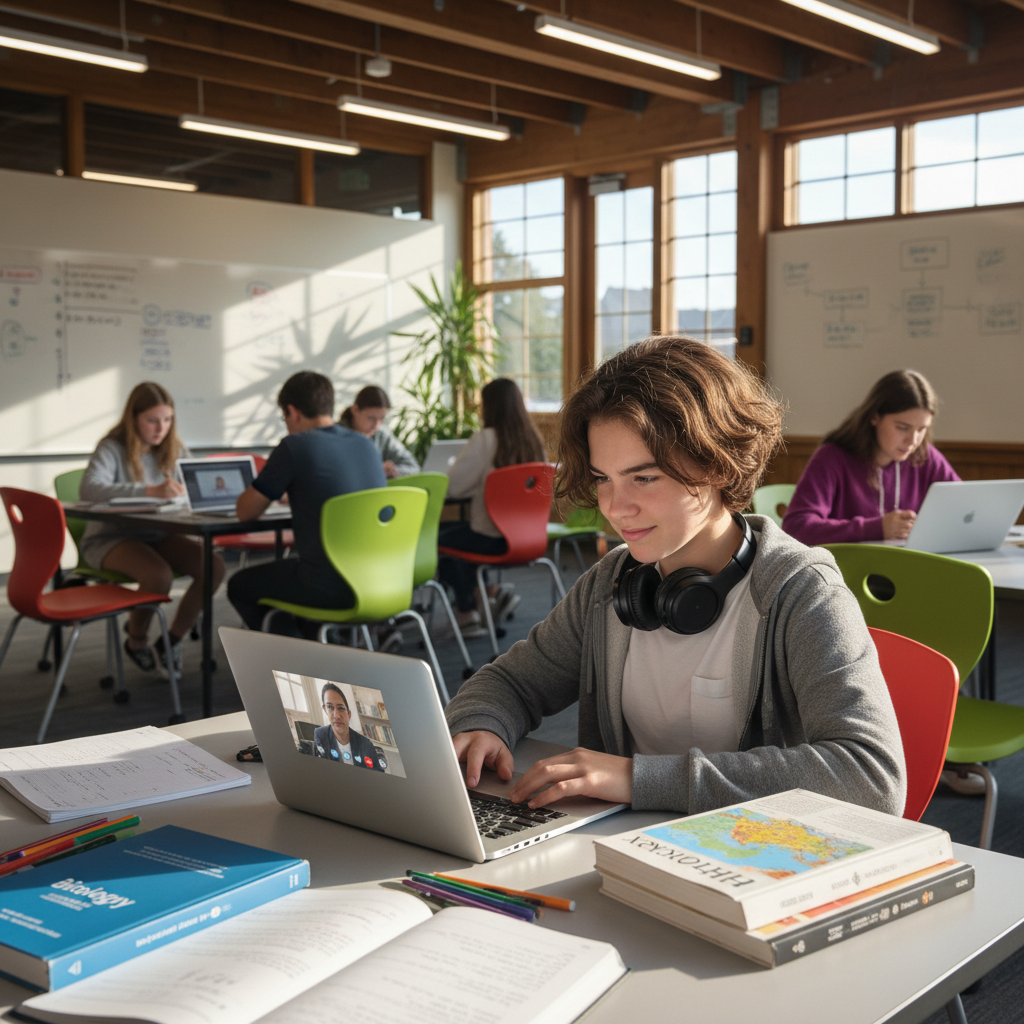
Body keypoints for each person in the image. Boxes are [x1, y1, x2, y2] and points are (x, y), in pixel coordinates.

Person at [445, 336, 906, 817]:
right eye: (604, 478)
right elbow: (510, 683)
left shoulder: (802, 593)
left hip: (755, 860)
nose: (614, 507)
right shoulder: (611, 584)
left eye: (644, 477)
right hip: (622, 849)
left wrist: (638, 779)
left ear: (719, 465)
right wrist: (481, 724)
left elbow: (871, 777)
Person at [79, 382, 225, 675]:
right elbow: (89, 488)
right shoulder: (112, 447)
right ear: (133, 418)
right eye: (152, 420)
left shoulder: (174, 447)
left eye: (168, 420)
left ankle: (170, 640)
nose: (161, 428)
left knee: (214, 567)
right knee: (158, 575)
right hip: (111, 537)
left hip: (158, 534)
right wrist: (151, 490)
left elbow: (193, 486)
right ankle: (136, 641)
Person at [227, 371, 386, 635]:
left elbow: (245, 511)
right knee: (296, 575)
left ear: (293, 411)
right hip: (378, 577)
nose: (286, 425)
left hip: (329, 584)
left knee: (239, 585)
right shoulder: (366, 445)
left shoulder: (294, 446)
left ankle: (295, 659)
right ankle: (314, 647)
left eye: (284, 418)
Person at [782, 370, 960, 545]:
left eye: (922, 429)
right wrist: (877, 528)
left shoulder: (925, 456)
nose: (913, 441)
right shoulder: (831, 458)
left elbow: (965, 506)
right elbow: (795, 527)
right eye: (903, 428)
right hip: (847, 570)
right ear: (875, 417)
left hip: (907, 566)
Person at [439, 377, 547, 637]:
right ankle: (489, 593)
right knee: (462, 536)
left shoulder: (485, 439)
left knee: (439, 542)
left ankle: (467, 614)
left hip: (490, 538)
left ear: (490, 406)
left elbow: (453, 487)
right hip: (529, 539)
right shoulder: (534, 440)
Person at [339, 385, 419, 479]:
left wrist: (395, 470)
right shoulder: (335, 435)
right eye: (371, 418)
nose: (377, 425)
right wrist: (374, 470)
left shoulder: (382, 434)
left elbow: (413, 466)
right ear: (355, 410)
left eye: (381, 419)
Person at [312, 683, 386, 771]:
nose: (336, 716)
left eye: (341, 708)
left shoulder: (366, 744)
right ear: (325, 710)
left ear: (349, 714)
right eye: (330, 707)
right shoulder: (320, 735)